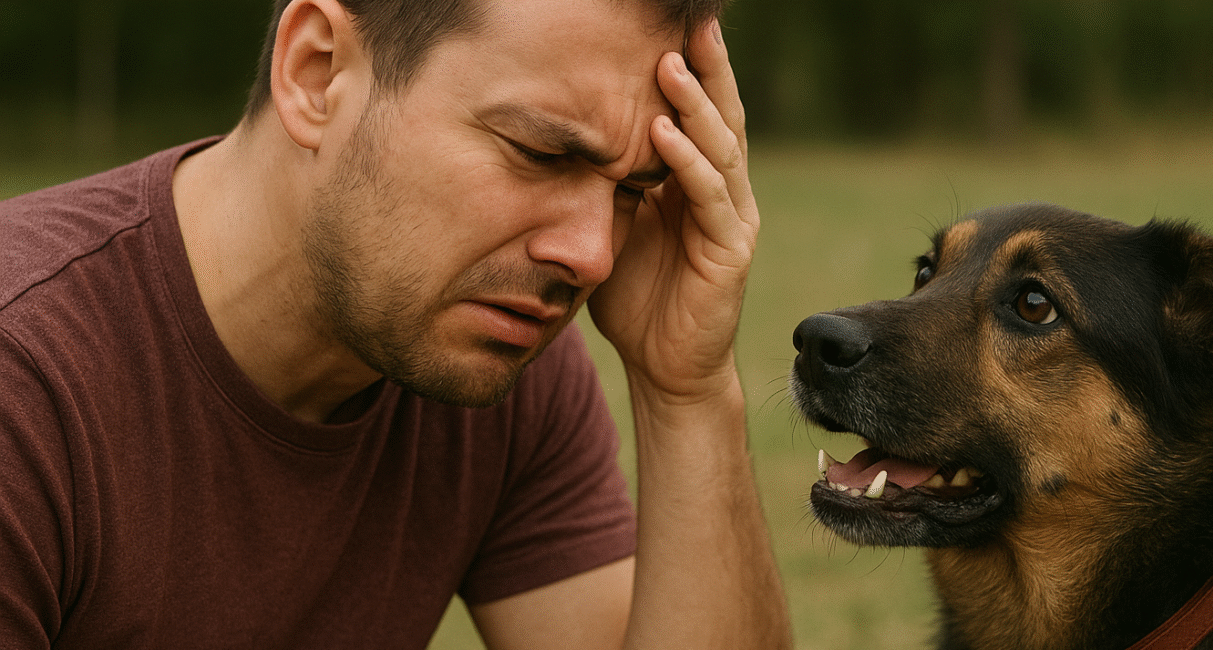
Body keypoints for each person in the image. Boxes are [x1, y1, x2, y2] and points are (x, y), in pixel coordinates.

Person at [0, 0, 793, 647]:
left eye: (631, 189)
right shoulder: (25, 383)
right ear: (315, 73)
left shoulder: (496, 355)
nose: (591, 256)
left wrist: (684, 391)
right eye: (540, 153)